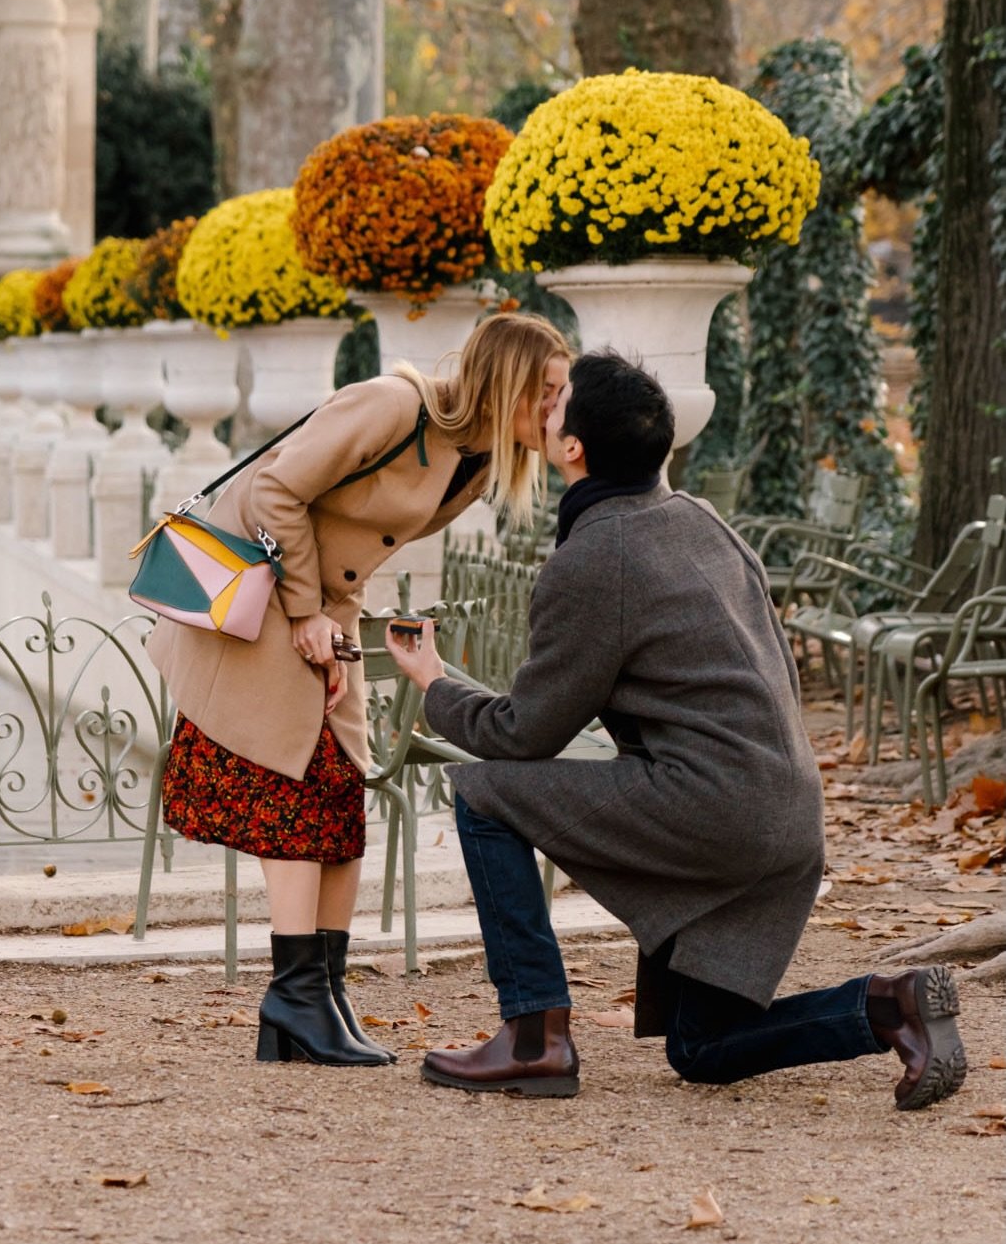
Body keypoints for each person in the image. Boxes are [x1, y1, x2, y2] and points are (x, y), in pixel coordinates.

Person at [386, 350, 967, 1110]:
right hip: (785, 805)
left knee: (484, 792)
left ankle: (532, 1033)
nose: (543, 404)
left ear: (572, 449)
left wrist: (433, 681)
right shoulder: (699, 518)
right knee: (703, 1048)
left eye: (557, 399)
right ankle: (889, 1004)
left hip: (714, 808)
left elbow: (523, 733)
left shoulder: (596, 555)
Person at [146, 312, 573, 1068]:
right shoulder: (393, 405)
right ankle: (294, 995)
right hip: (267, 603)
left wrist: (337, 615)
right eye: (544, 390)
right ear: (503, 379)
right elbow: (276, 488)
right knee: (293, 791)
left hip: (320, 616)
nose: (554, 407)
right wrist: (307, 607)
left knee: (340, 794)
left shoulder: (473, 459)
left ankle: (320, 995)